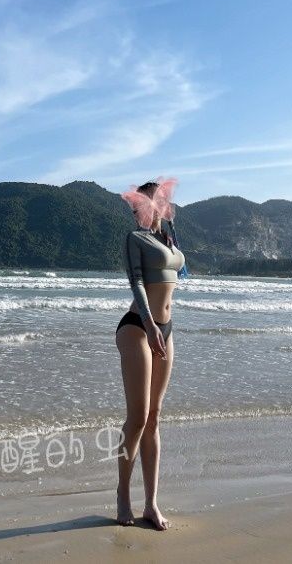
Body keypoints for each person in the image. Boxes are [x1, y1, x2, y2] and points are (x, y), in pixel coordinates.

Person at [114, 179, 186, 530]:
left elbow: (174, 274)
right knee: (139, 417)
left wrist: (168, 234)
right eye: (134, 207)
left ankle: (151, 504)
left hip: (166, 329)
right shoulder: (135, 239)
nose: (137, 212)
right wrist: (148, 322)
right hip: (137, 328)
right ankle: (123, 495)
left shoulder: (169, 239)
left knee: (155, 417)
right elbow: (137, 281)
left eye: (143, 204)